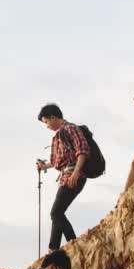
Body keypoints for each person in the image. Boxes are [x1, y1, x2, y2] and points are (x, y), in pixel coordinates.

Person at [36, 104, 91, 252]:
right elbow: (58, 162)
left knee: (56, 213)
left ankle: (74, 245)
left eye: (46, 121)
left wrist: (75, 173)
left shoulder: (70, 129)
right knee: (57, 214)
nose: (46, 126)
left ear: (53, 117)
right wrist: (44, 166)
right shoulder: (61, 134)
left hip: (73, 175)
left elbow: (82, 151)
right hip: (67, 175)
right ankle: (52, 250)